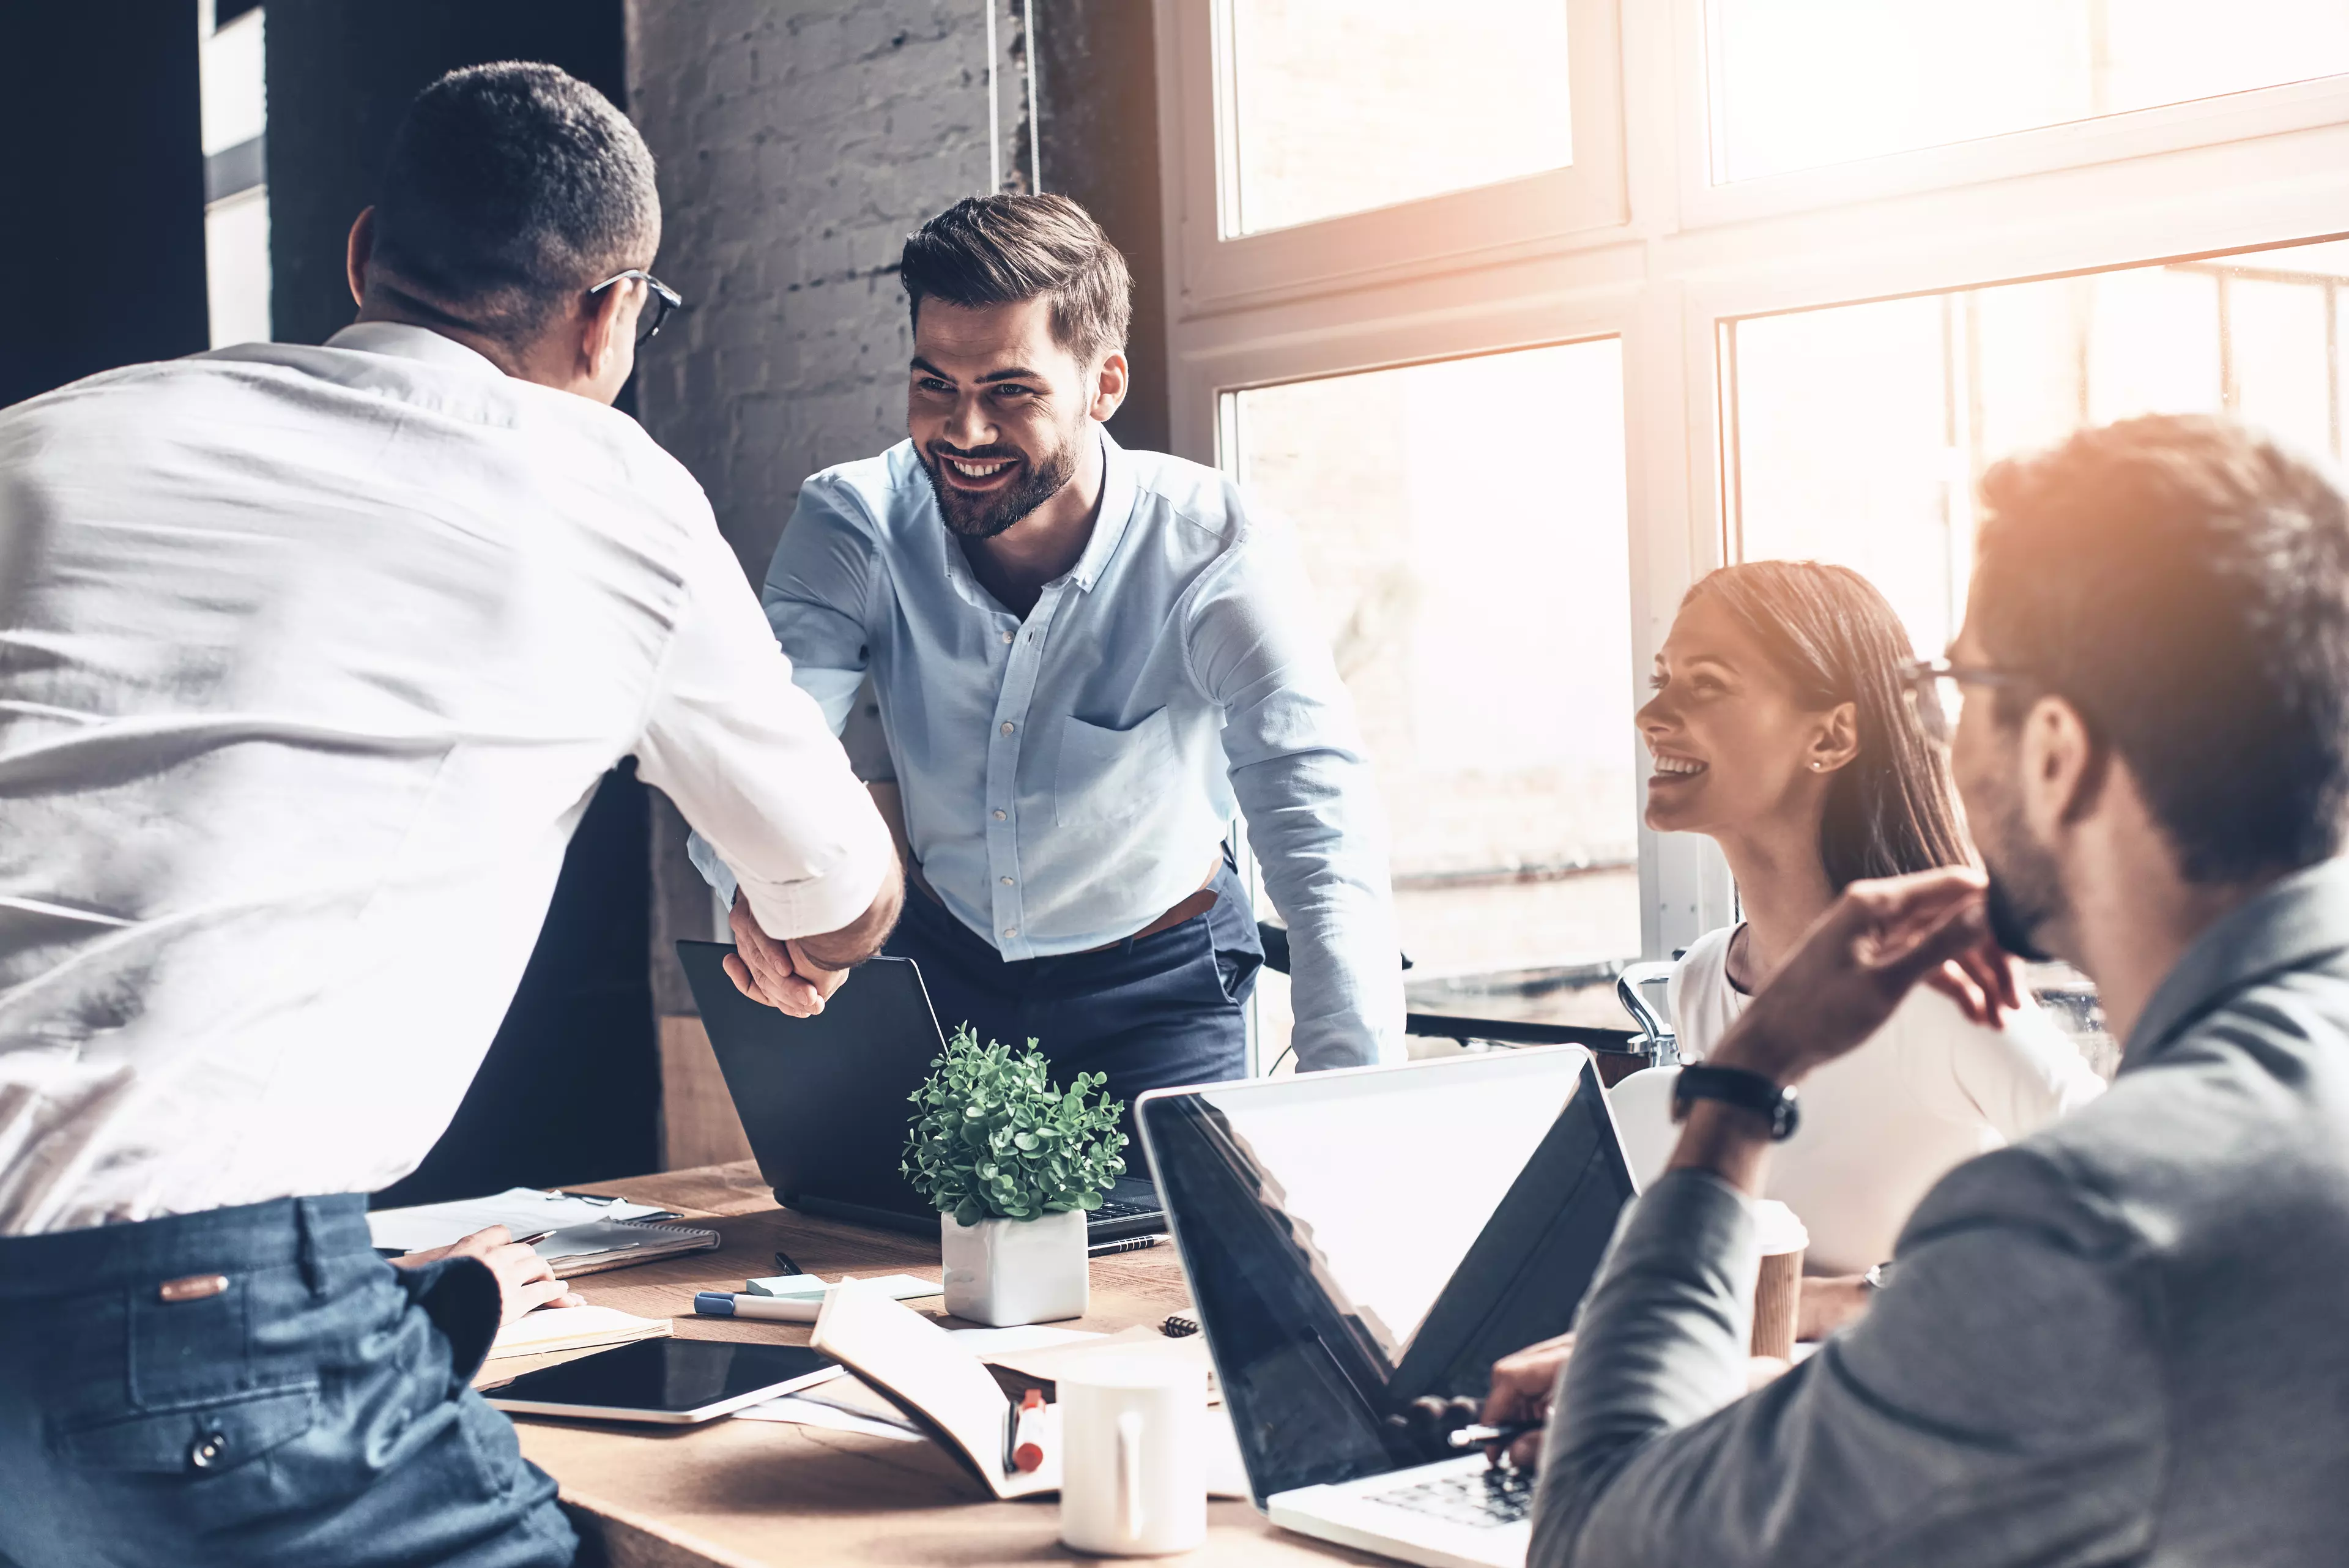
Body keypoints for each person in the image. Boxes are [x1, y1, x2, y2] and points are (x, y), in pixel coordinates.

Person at [0, 64, 900, 1567]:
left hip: (206, 1300)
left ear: (361, 260)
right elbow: (841, 899)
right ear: (612, 316)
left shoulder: (45, 443)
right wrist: (786, 911)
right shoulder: (607, 492)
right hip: (191, 1326)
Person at [1484, 414, 2349, 1566]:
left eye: (1958, 682)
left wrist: (1741, 1087)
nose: (1935, 728)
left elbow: (1600, 1540)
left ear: (2053, 748)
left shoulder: (2089, 1221)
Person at [694, 194, 1403, 1123]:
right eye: (935, 385)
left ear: (1103, 386)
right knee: (893, 1256)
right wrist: (760, 885)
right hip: (939, 969)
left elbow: (1319, 819)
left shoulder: (1216, 549)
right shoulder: (855, 521)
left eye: (1010, 391)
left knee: (1170, 1261)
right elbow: (756, 744)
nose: (965, 432)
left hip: (1159, 988)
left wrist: (1355, 1102)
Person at [1619, 560, 2102, 1318]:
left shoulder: (1938, 990)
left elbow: (2129, 1209)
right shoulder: (1705, 978)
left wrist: (1825, 1301)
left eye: (1705, 683)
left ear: (1834, 734)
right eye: (1662, 678)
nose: (1652, 715)